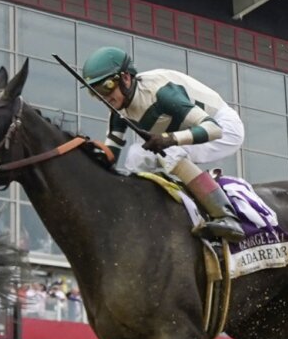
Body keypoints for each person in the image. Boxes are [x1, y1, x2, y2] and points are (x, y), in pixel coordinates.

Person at [80, 46, 247, 241]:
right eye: (95, 92)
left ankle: (227, 217)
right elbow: (110, 156)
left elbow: (214, 129)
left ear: (125, 78)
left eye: (106, 87)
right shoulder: (117, 111)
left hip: (224, 127)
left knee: (171, 152)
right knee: (136, 156)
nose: (103, 97)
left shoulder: (161, 93)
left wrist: (169, 139)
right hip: (186, 131)